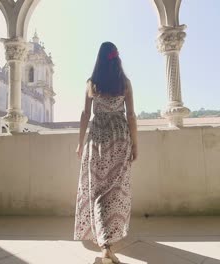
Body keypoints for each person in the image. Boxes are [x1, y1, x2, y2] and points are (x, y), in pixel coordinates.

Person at [73, 42, 138, 264]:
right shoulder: (125, 83)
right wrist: (135, 144)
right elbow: (131, 116)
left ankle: (105, 246)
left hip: (97, 139)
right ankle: (108, 243)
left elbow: (85, 114)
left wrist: (80, 143)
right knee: (116, 191)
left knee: (98, 191)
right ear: (116, 58)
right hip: (120, 138)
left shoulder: (91, 84)